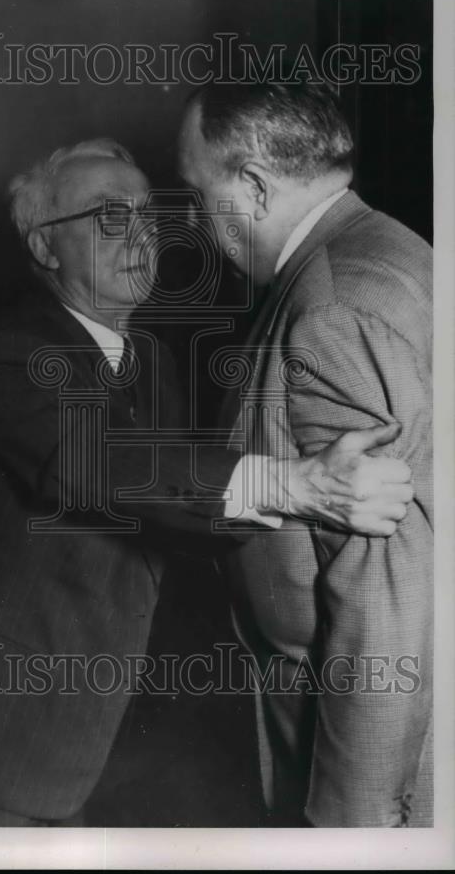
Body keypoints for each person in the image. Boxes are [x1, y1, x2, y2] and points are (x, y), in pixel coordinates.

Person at [0, 137, 415, 827]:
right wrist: (296, 485)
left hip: (143, 728)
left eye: (146, 214)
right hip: (26, 739)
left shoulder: (148, 355)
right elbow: (109, 464)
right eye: (108, 217)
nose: (140, 234)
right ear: (44, 248)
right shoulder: (13, 356)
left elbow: (181, 507)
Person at [177, 81, 433, 827]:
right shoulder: (383, 245)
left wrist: (355, 819)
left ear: (253, 187)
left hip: (358, 745)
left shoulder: (329, 308)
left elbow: (387, 594)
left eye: (197, 195)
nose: (193, 222)